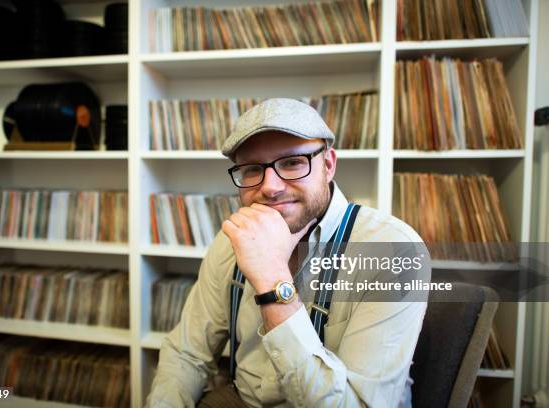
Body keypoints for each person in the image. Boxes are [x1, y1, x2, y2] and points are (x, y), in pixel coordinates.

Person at [146, 98, 430, 407]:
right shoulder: (231, 240)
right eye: (253, 169)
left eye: (292, 163)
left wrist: (272, 281)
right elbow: (186, 353)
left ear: (329, 165)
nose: (270, 187)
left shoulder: (393, 251)